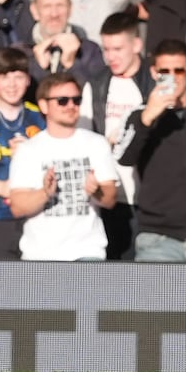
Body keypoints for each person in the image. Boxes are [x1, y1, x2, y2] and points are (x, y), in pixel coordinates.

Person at [115, 39, 186, 262]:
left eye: (179, 70)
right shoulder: (139, 115)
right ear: (154, 73)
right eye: (165, 71)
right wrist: (147, 119)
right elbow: (123, 158)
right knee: (156, 298)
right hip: (158, 238)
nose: (173, 77)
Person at [9, 72, 118, 260]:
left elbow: (110, 199)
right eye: (62, 100)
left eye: (76, 100)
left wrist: (96, 191)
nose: (71, 106)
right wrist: (45, 192)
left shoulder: (97, 143)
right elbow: (18, 207)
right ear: (43, 105)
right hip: (40, 255)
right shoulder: (28, 150)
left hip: (88, 252)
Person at [78, 13, 153, 259]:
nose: (111, 56)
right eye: (106, 49)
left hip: (148, 198)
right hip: (109, 199)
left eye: (118, 48)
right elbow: (83, 137)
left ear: (137, 45)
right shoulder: (96, 85)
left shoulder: (153, 84)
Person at [0, 47, 45, 260]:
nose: (12, 85)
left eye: (18, 77)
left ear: (28, 80)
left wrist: (29, 154)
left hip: (35, 217)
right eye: (4, 76)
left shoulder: (40, 117)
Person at [17, 0, 106, 88]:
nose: (54, 14)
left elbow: (98, 94)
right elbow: (21, 100)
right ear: (35, 11)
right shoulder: (19, 52)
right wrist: (38, 68)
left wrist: (72, 65)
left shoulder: (90, 51)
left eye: (60, 5)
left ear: (70, 9)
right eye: (47, 6)